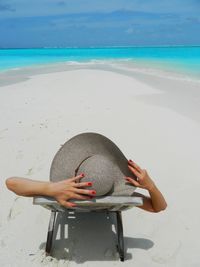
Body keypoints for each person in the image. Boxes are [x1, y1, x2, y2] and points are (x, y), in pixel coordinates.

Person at [6, 159, 167, 212]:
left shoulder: (66, 189)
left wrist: (50, 188)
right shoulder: (119, 195)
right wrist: (151, 186)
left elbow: (11, 183)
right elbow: (158, 207)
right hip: (109, 204)